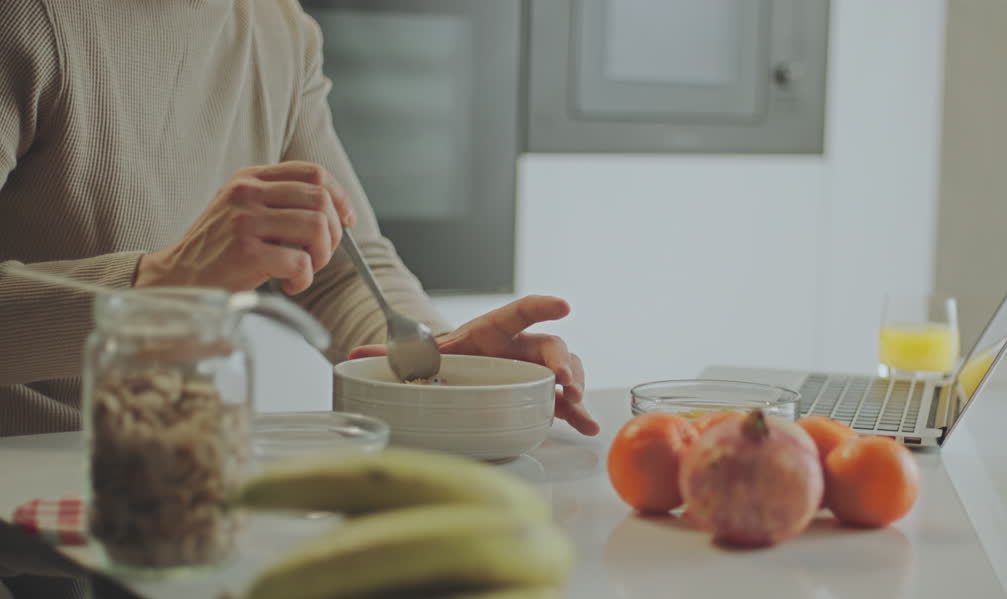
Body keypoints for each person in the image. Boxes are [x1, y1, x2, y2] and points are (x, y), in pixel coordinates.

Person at [0, 0, 598, 438]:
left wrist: (440, 360)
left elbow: (342, 269)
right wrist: (161, 285)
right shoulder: (27, 18)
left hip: (177, 493)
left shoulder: (276, 28)